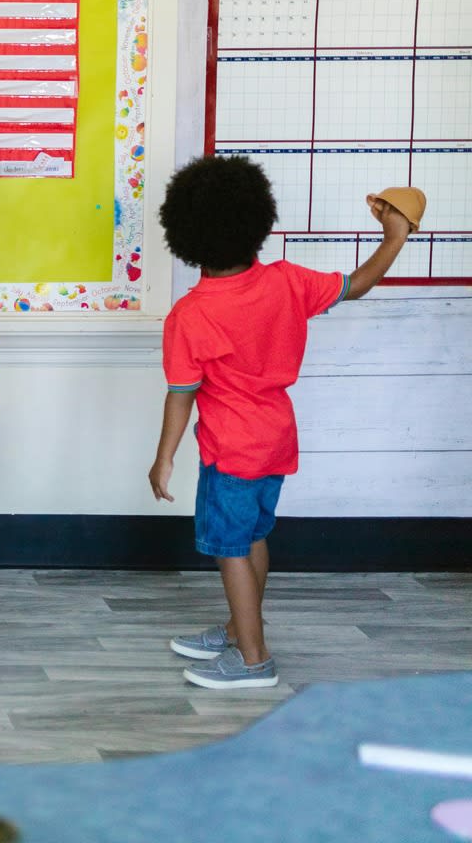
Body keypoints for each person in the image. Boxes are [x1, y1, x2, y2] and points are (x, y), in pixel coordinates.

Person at [150, 156, 412, 689]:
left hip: (230, 450)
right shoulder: (288, 281)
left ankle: (253, 659)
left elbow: (181, 396)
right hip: (276, 439)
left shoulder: (191, 314)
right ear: (257, 224)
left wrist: (163, 458)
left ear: (185, 235)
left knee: (230, 549)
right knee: (254, 536)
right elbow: (357, 283)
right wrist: (395, 235)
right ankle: (237, 627)